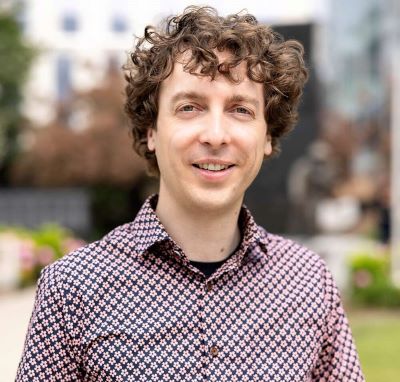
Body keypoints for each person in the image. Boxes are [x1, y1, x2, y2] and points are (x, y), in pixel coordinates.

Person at [17, 6, 365, 381]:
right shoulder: (72, 290)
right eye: (189, 107)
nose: (215, 135)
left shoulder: (309, 281)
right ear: (152, 130)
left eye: (240, 110)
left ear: (267, 136)